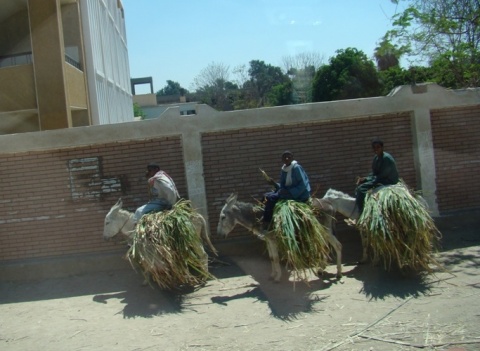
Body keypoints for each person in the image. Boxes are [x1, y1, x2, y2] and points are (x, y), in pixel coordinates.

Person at [262, 151, 311, 230]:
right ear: (282, 159)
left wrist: (290, 192)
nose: (287, 158)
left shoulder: (296, 168)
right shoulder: (284, 169)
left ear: (292, 158)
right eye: (284, 157)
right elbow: (283, 185)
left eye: (289, 156)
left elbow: (303, 185)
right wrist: (274, 183)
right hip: (287, 192)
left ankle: (267, 222)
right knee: (266, 195)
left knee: (271, 198)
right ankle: (265, 214)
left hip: (299, 194)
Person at [355, 138, 399, 213]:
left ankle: (361, 212)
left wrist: (368, 179)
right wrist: (365, 178)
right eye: (374, 147)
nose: (376, 149)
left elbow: (382, 175)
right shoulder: (376, 158)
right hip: (381, 178)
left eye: (378, 147)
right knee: (360, 185)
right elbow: (374, 172)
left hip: (388, 180)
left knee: (361, 189)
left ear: (382, 148)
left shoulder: (386, 158)